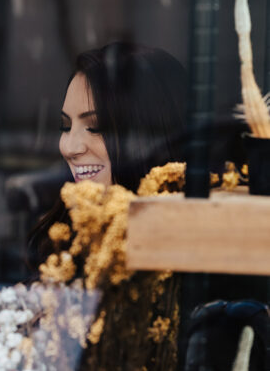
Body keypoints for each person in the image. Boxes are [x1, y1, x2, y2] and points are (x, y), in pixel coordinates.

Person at [29, 41, 187, 261]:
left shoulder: (185, 256)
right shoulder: (57, 246)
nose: (69, 148)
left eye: (95, 127)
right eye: (66, 126)